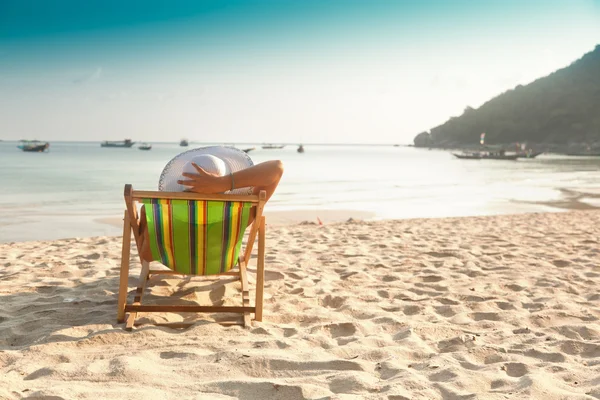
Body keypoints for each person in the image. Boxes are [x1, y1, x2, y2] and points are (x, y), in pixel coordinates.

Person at [138, 147, 284, 261]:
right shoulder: (239, 215)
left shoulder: (159, 214)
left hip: (176, 263)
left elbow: (147, 256)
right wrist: (224, 183)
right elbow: (277, 167)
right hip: (219, 264)